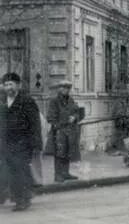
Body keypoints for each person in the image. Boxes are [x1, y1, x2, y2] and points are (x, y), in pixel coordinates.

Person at [0, 72, 42, 211]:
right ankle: (19, 197)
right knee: (11, 170)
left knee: (20, 170)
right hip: (7, 142)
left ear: (18, 85)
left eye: (10, 84)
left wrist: (36, 144)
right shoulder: (4, 101)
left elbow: (35, 123)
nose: (8, 88)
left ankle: (22, 200)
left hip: (23, 141)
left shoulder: (27, 101)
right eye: (5, 85)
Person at [45, 80, 83, 182]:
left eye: (68, 88)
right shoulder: (54, 100)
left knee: (68, 152)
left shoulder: (71, 100)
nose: (66, 90)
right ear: (59, 88)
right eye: (64, 87)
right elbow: (50, 117)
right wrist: (62, 123)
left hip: (70, 131)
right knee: (59, 153)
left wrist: (74, 118)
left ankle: (65, 173)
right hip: (59, 131)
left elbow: (77, 112)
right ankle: (57, 175)